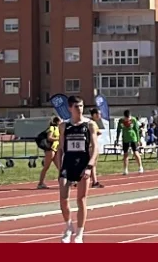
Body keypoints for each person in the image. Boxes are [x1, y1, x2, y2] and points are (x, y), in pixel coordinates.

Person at [56, 96, 98, 244]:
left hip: (83, 165)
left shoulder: (90, 125)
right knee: (63, 198)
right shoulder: (64, 126)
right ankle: (68, 226)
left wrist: (89, 167)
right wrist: (60, 168)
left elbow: (95, 149)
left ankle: (80, 233)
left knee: (81, 200)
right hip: (68, 164)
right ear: (70, 108)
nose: (79, 109)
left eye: (81, 106)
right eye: (76, 106)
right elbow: (60, 148)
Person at [116, 110, 144, 175]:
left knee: (135, 152)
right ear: (124, 117)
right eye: (127, 118)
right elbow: (118, 130)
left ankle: (140, 167)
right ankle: (125, 169)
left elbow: (136, 130)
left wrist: (138, 140)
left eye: (129, 118)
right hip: (125, 139)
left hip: (133, 138)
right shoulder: (121, 121)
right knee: (125, 154)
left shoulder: (133, 120)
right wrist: (117, 139)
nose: (128, 119)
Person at [37, 115, 62, 189]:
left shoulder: (58, 128)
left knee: (60, 167)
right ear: (57, 121)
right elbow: (49, 138)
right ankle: (40, 183)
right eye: (60, 120)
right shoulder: (52, 128)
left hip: (56, 149)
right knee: (46, 167)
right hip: (50, 150)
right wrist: (58, 138)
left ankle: (62, 181)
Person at [88, 108, 105, 188]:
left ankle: (94, 181)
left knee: (92, 164)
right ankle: (94, 181)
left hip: (91, 145)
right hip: (91, 146)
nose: (100, 116)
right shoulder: (92, 123)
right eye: (99, 114)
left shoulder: (93, 123)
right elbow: (93, 133)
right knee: (92, 164)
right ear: (94, 114)